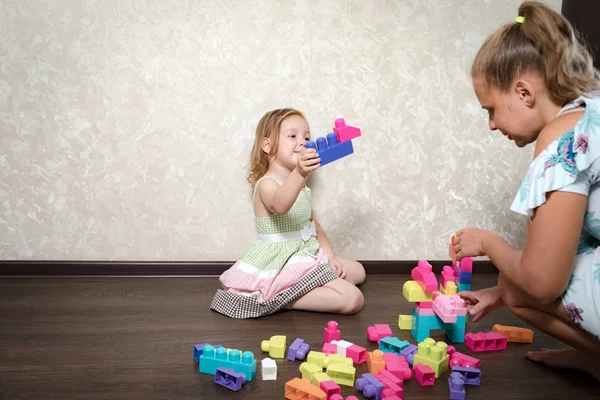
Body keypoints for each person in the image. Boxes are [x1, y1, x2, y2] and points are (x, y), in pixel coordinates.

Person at [452, 1, 600, 380]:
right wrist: (497, 294)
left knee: (520, 288)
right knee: (511, 284)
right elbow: (574, 243)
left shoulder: (562, 141)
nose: (490, 124)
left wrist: (487, 244)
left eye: (491, 109)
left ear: (523, 92)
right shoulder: (590, 112)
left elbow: (540, 282)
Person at [211, 108, 365, 318]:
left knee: (358, 271)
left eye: (306, 137)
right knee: (353, 300)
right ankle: (284, 298)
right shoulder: (266, 184)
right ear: (267, 145)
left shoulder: (301, 186)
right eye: (293, 136)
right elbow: (280, 204)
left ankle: (304, 287)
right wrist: (300, 172)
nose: (302, 141)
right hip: (280, 260)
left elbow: (314, 226)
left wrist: (330, 257)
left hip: (305, 253)